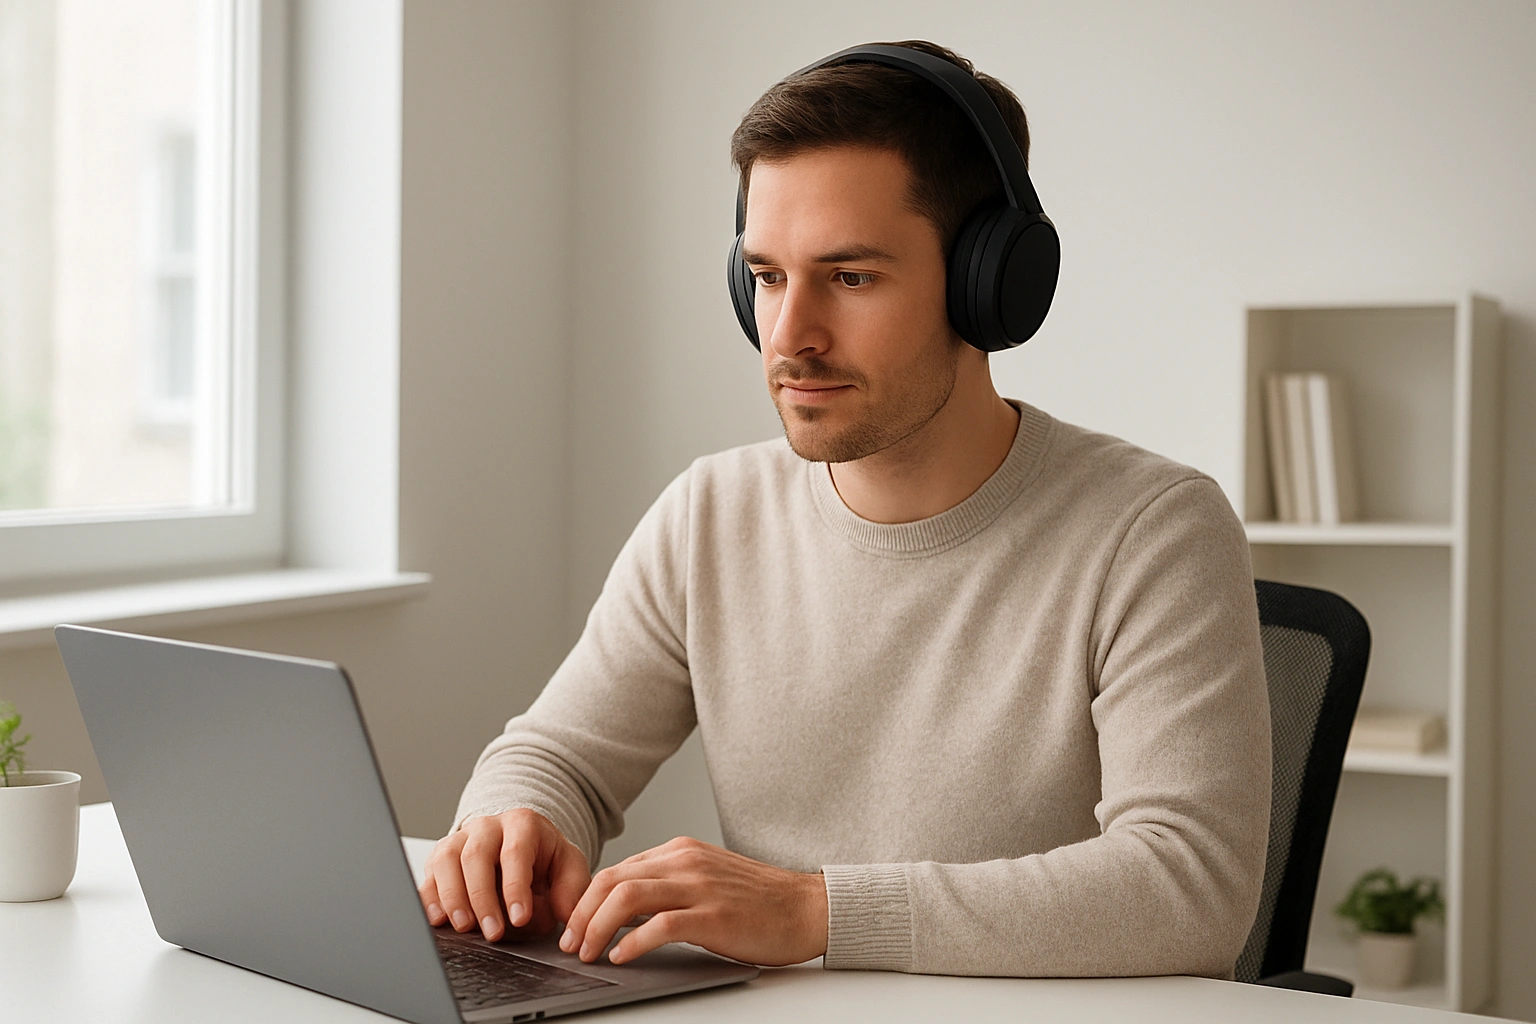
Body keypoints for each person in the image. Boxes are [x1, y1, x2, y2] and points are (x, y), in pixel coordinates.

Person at [418, 39, 1271, 979]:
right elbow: (559, 755)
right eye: (769, 277)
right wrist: (514, 822)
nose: (789, 338)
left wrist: (819, 910)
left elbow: (1191, 889)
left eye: (851, 277)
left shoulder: (1154, 530)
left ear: (990, 283)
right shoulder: (711, 514)